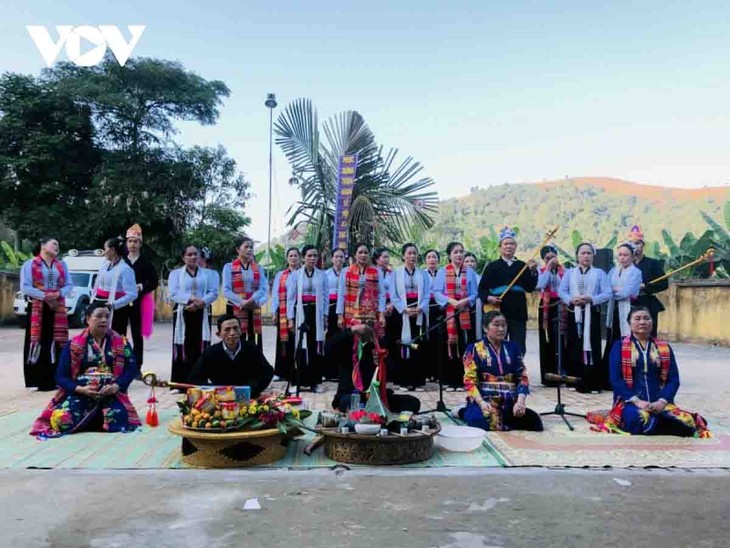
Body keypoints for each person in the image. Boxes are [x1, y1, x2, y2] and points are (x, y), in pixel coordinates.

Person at [30, 302, 141, 438]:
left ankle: (90, 420)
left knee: (119, 418)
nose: (104, 320)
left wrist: (116, 386)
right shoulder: (74, 345)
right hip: (81, 394)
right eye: (99, 316)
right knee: (61, 420)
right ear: (88, 319)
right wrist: (81, 389)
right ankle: (93, 419)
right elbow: (60, 376)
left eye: (107, 316)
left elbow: (131, 369)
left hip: (111, 394)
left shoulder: (121, 342)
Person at [597, 307, 710, 437]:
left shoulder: (664, 348)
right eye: (637, 319)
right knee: (639, 418)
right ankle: (663, 424)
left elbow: (674, 379)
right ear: (629, 323)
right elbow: (615, 379)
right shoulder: (620, 346)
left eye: (646, 318)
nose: (642, 322)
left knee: (688, 420)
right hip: (631, 402)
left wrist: (662, 401)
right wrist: (637, 401)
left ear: (652, 322)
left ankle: (660, 423)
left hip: (659, 402)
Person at [461, 311, 543, 432]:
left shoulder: (513, 348)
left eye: (504, 325)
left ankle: (504, 417)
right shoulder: (473, 349)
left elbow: (522, 378)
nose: (501, 329)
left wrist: (520, 402)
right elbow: (469, 381)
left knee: (535, 423)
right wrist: (481, 402)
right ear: (485, 328)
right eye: (496, 325)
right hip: (485, 401)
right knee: (483, 421)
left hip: (509, 402)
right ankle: (463, 411)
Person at [329, 323, 420, 414]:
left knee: (413, 402)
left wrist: (382, 363)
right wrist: (352, 330)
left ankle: (371, 409)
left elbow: (392, 372)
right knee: (347, 402)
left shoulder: (378, 344)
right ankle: (368, 410)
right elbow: (329, 347)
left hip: (377, 396)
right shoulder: (346, 343)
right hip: (352, 394)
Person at [558, 243, 612, 393]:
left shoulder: (600, 273)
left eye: (589, 253)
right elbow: (562, 291)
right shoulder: (569, 273)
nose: (586, 256)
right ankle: (573, 380)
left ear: (593, 256)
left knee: (592, 344)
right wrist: (570, 299)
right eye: (583, 253)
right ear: (577, 256)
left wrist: (591, 298)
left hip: (592, 312)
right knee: (574, 345)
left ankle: (592, 383)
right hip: (574, 312)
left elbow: (607, 293)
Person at [21, 237, 72, 391]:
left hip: (57, 307)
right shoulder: (30, 264)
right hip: (38, 306)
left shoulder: (61, 265)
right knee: (37, 341)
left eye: (58, 244)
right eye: (54, 244)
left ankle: (55, 378)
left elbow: (69, 285)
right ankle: (36, 379)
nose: (57, 246)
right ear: (43, 246)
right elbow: (25, 287)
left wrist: (57, 294)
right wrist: (46, 297)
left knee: (57, 342)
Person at [479, 227, 538, 357]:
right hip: (498, 309)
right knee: (498, 341)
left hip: (518, 310)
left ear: (515, 247)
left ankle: (517, 370)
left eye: (512, 244)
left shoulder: (522, 266)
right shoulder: (492, 266)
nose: (509, 246)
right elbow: (482, 289)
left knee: (518, 343)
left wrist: (533, 271)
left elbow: (530, 287)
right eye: (506, 244)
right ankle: (498, 371)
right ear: (500, 246)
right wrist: (489, 298)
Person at [188, 314, 274, 397]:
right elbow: (194, 379)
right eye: (227, 329)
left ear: (241, 331)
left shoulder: (251, 349)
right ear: (219, 334)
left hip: (249, 397)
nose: (232, 333)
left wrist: (250, 388)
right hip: (220, 399)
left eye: (235, 328)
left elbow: (267, 372)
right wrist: (215, 390)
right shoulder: (210, 353)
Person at [168, 245, 218, 385]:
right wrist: (190, 300)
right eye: (189, 255)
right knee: (183, 344)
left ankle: (199, 379)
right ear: (183, 257)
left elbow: (213, 292)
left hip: (202, 312)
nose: (193, 257)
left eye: (195, 254)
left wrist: (200, 303)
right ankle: (180, 382)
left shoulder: (208, 274)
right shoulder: (175, 274)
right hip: (182, 313)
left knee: (200, 344)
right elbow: (173, 292)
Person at [432, 241, 478, 390]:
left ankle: (464, 380)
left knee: (465, 345)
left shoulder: (469, 271)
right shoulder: (442, 271)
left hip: (465, 311)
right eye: (456, 252)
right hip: (449, 312)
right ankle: (450, 381)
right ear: (449, 255)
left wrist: (465, 301)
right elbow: (437, 291)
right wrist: (450, 300)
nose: (459, 254)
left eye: (461, 251)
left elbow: (474, 293)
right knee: (450, 344)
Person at [287, 245, 327, 392]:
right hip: (300, 312)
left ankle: (314, 382)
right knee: (300, 345)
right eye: (309, 255)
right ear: (303, 257)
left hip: (316, 312)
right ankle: (297, 382)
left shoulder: (322, 275)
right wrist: (290, 318)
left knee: (315, 345)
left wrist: (325, 315)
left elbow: (325, 296)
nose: (312, 259)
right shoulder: (295, 275)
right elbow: (290, 298)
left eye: (315, 256)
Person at [602, 242, 642, 389]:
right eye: (620, 255)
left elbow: (628, 292)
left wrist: (614, 290)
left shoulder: (636, 272)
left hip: (627, 310)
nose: (623, 258)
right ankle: (609, 379)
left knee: (627, 342)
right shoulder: (613, 270)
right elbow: (605, 288)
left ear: (632, 256)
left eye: (626, 255)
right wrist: (615, 289)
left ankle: (627, 378)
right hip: (614, 310)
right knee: (612, 342)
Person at [390, 243, 429, 391]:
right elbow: (393, 296)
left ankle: (417, 381)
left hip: (418, 312)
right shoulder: (396, 273)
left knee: (418, 345)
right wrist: (404, 309)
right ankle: (403, 380)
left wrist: (420, 308)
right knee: (403, 345)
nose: (412, 256)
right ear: (403, 255)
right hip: (402, 313)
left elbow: (426, 294)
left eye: (414, 253)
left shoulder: (423, 273)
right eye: (409, 253)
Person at [122, 224, 159, 368]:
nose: (132, 244)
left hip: (139, 301)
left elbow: (154, 282)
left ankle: (137, 366)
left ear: (140, 244)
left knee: (137, 335)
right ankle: (121, 364)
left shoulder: (146, 262)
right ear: (126, 243)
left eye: (135, 241)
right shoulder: (121, 261)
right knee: (120, 334)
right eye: (130, 241)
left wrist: (142, 286)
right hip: (122, 302)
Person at [222, 236, 268, 349]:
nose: (249, 250)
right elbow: (226, 290)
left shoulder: (258, 268)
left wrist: (252, 301)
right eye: (246, 247)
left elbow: (263, 289)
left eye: (251, 247)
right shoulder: (229, 267)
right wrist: (242, 302)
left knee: (253, 338)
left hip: (253, 307)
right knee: (236, 336)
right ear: (238, 249)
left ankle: (253, 364)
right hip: (235, 307)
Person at [628, 225, 668, 337]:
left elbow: (664, 284)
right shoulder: (625, 265)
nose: (635, 246)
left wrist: (645, 286)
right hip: (628, 304)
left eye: (637, 243)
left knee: (649, 334)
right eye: (632, 244)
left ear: (643, 245)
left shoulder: (653, 263)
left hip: (647, 302)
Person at [336, 242, 386, 331]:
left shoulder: (377, 272)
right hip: (351, 313)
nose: (363, 255)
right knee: (352, 341)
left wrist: (381, 314)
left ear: (369, 255)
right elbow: (341, 295)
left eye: (366, 252)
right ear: (355, 255)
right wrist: (340, 316)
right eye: (360, 252)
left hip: (371, 314)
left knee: (369, 340)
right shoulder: (346, 272)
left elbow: (381, 295)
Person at [91, 236, 138, 330]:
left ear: (112, 250)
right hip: (100, 304)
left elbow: (132, 294)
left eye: (105, 249)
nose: (104, 252)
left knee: (115, 335)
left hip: (117, 309)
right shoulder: (105, 265)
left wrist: (114, 304)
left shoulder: (125, 269)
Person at [536, 244, 565, 386]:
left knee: (561, 338)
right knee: (547, 339)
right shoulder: (540, 270)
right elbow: (540, 284)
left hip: (561, 304)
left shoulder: (564, 270)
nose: (551, 260)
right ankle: (547, 375)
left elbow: (563, 287)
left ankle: (562, 372)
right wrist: (548, 269)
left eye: (553, 257)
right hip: (546, 304)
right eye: (547, 258)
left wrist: (556, 271)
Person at [271, 247, 300, 380]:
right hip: (282, 310)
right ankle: (281, 371)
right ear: (287, 258)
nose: (293, 257)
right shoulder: (281, 275)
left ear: (300, 258)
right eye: (291, 255)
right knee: (283, 341)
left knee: (296, 340)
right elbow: (276, 294)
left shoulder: (302, 273)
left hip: (298, 310)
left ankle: (296, 371)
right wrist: (274, 311)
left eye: (295, 255)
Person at [374, 247, 399, 384]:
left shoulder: (393, 274)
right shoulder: (372, 273)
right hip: (376, 309)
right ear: (377, 259)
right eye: (383, 256)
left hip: (391, 308)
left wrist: (392, 304)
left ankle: (391, 372)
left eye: (388, 257)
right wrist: (381, 308)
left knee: (391, 340)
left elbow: (397, 291)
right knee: (378, 340)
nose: (386, 259)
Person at [323, 248, 347, 381]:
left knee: (344, 338)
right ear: (331, 259)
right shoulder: (326, 274)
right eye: (336, 257)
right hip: (331, 308)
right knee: (331, 338)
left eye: (341, 257)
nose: (339, 260)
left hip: (345, 308)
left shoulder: (348, 272)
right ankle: (329, 371)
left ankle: (342, 371)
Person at [422, 249, 443, 382]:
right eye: (429, 257)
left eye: (434, 257)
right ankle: (426, 372)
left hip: (439, 307)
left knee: (438, 339)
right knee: (425, 338)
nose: (432, 260)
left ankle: (437, 373)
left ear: (438, 260)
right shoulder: (421, 274)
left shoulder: (442, 273)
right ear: (425, 260)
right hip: (425, 307)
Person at [463, 252, 482, 341]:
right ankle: (466, 354)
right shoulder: (458, 278)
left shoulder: (481, 278)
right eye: (466, 261)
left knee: (478, 333)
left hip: (477, 310)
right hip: (462, 308)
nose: (470, 263)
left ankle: (480, 354)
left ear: (476, 263)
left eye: (472, 261)